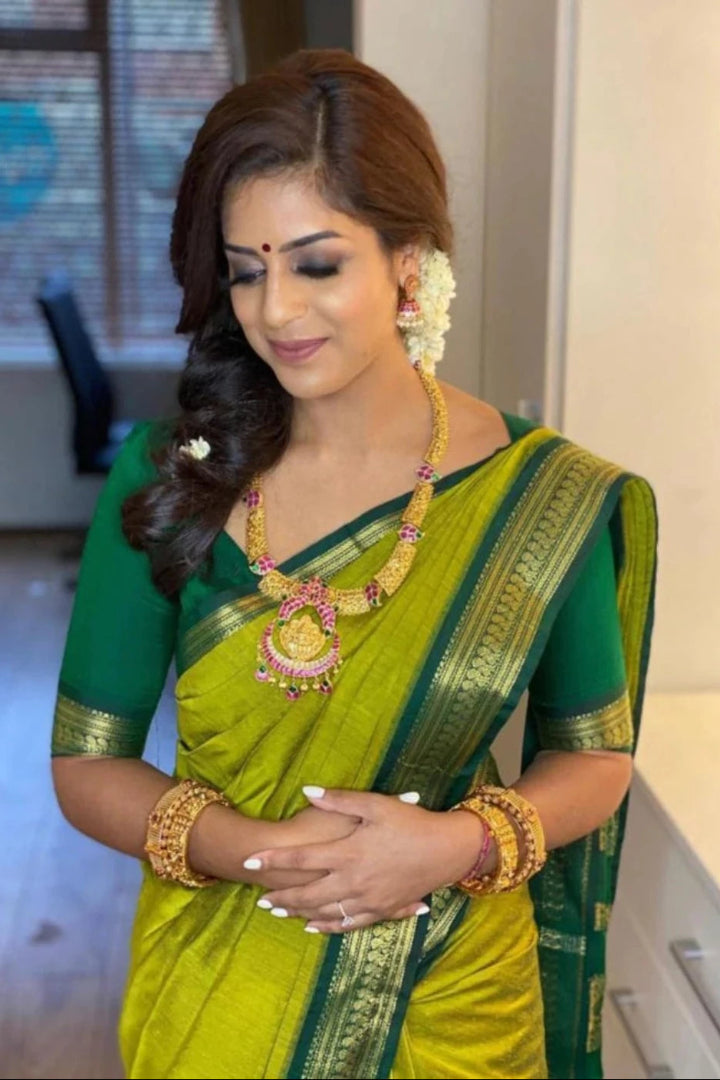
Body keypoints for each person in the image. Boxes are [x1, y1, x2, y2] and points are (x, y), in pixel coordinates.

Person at [50, 48, 659, 1080]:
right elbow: (86, 767)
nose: (275, 310)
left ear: (408, 259)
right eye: (246, 270)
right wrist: (262, 852)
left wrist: (449, 847)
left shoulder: (540, 496)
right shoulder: (169, 481)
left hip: (460, 1002)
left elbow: (593, 760)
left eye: (316, 262)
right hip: (224, 986)